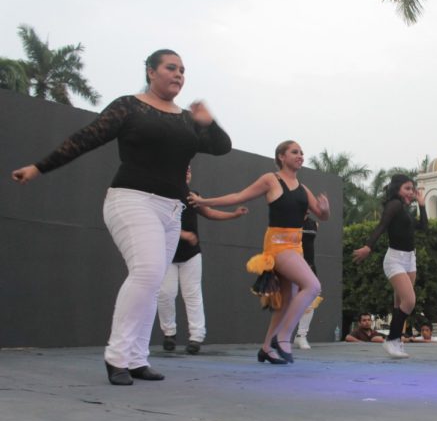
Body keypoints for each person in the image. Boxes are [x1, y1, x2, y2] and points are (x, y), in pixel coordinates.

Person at [11, 49, 232, 385]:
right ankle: (117, 357)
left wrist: (209, 120)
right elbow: (85, 138)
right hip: (131, 199)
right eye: (171, 68)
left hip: (171, 210)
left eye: (183, 70)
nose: (178, 75)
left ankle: (136, 359)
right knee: (145, 273)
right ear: (150, 72)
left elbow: (221, 147)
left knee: (153, 281)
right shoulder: (130, 106)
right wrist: (39, 167)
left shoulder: (187, 119)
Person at [188, 140, 329, 365]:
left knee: (286, 301)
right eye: (295, 152)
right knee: (312, 286)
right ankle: (283, 337)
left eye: (302, 152)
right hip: (278, 246)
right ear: (281, 157)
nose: (300, 155)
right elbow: (238, 196)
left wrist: (325, 209)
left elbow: (322, 216)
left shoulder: (303, 189)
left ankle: (266, 348)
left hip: (296, 247)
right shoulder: (270, 180)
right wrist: (203, 201)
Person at [157, 166, 247, 355]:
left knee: (192, 294)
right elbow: (160, 223)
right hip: (168, 253)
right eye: (184, 168)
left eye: (190, 169)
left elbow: (210, 212)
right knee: (166, 293)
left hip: (191, 254)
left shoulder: (193, 196)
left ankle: (196, 337)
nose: (187, 171)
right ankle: (169, 333)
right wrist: (183, 235)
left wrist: (234, 214)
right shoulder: (163, 195)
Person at [352, 174, 427, 359]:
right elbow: (381, 226)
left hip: (410, 259)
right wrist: (368, 247)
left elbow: (423, 226)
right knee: (409, 301)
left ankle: (395, 341)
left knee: (399, 304)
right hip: (395, 259)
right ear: (397, 189)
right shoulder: (394, 205)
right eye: (407, 188)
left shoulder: (405, 209)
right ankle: (392, 340)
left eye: (412, 189)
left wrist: (422, 205)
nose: (411, 192)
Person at [292, 213, 321, 350]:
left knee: (310, 301)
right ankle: (279, 336)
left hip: (309, 266)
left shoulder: (314, 224)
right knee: (287, 300)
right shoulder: (289, 220)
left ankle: (301, 336)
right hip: (291, 264)